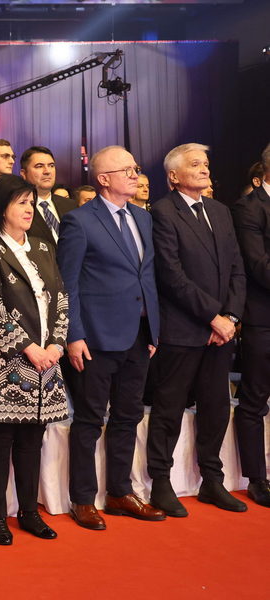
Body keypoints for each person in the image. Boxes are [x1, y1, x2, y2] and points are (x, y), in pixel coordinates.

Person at [57, 145, 165, 530]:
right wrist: (73, 335)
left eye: (135, 168)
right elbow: (67, 284)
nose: (135, 175)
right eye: (127, 170)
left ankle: (120, 492)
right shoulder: (79, 221)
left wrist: (153, 327)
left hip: (139, 334)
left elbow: (146, 275)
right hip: (95, 338)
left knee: (128, 416)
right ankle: (83, 499)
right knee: (89, 419)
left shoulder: (143, 217)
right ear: (104, 179)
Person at [0, 174, 68, 545]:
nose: (29, 209)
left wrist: (56, 344)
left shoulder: (42, 247)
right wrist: (28, 347)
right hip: (2, 363)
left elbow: (60, 298)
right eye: (21, 202)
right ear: (1, 207)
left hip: (45, 363)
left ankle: (29, 512)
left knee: (32, 441)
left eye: (31, 202)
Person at [146, 143, 246, 516]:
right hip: (183, 329)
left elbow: (237, 268)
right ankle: (160, 482)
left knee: (216, 406)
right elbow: (171, 275)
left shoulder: (220, 211)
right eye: (195, 164)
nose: (205, 169)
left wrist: (230, 317)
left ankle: (212, 481)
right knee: (169, 408)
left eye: (205, 163)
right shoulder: (162, 212)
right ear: (173, 176)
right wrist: (212, 317)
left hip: (221, 332)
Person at [231, 142, 270, 508]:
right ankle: (257, 478)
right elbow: (258, 266)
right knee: (255, 399)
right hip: (263, 320)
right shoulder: (249, 207)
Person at [19, 146, 76, 251]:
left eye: (51, 166)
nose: (47, 171)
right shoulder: (18, 210)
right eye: (39, 166)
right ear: (24, 174)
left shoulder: (71, 205)